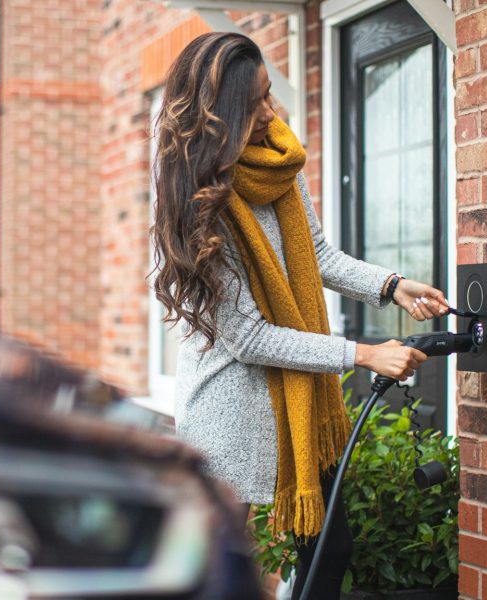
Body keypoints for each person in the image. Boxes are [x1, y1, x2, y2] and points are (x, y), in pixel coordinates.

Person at [150, 32, 450, 599]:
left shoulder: (279, 160)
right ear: (218, 118)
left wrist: (392, 286)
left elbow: (318, 255)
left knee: (331, 551)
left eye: (270, 95)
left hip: (303, 407)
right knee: (227, 580)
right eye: (255, 105)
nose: (272, 113)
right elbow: (249, 337)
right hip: (232, 420)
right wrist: (361, 353)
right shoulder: (193, 200)